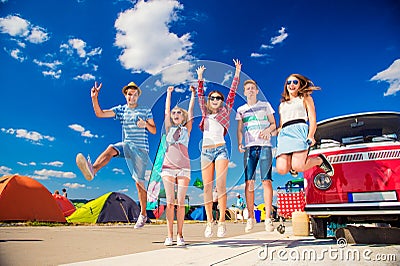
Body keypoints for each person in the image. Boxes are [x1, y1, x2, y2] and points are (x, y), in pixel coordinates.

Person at [76, 81, 156, 229]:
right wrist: (94, 98)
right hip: (127, 145)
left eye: (134, 94)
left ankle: (143, 214)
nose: (132, 97)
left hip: (141, 150)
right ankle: (92, 170)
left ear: (138, 96)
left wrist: (145, 124)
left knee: (139, 184)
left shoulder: (145, 110)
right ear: (125, 95)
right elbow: (100, 114)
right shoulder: (121, 110)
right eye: (129, 94)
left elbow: (154, 130)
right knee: (111, 148)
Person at [196, 59, 242, 238]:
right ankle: (209, 222)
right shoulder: (205, 113)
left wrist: (237, 73)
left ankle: (222, 221)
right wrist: (200, 77)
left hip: (221, 150)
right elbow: (200, 95)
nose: (215, 100)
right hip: (206, 152)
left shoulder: (225, 111)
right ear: (209, 101)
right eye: (213, 98)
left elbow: (232, 93)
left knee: (221, 187)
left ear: (222, 102)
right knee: (207, 188)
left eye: (218, 98)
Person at [236, 79, 276, 233]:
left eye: (253, 88)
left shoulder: (265, 106)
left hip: (265, 146)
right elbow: (240, 129)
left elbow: (273, 124)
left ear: (257, 91)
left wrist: (268, 131)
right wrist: (240, 142)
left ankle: (268, 218)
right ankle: (251, 217)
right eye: (248, 88)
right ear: (245, 92)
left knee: (266, 181)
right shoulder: (241, 109)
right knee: (249, 183)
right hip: (249, 148)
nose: (251, 90)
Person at [275, 74, 334, 177]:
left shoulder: (305, 98)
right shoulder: (282, 105)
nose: (291, 85)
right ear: (286, 86)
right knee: (281, 169)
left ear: (299, 85)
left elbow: (312, 119)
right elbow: (281, 125)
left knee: (299, 166)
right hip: (284, 134)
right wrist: (269, 132)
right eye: (289, 82)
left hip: (299, 130)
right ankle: (292, 166)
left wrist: (311, 135)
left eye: (295, 82)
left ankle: (319, 160)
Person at [161, 85, 195, 247]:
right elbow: (166, 111)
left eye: (179, 113)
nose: (175, 114)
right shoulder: (168, 128)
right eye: (174, 113)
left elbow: (192, 111)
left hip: (184, 168)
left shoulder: (187, 129)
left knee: (180, 202)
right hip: (167, 167)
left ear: (183, 117)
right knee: (169, 202)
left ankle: (180, 235)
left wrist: (193, 95)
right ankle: (169, 235)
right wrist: (169, 94)